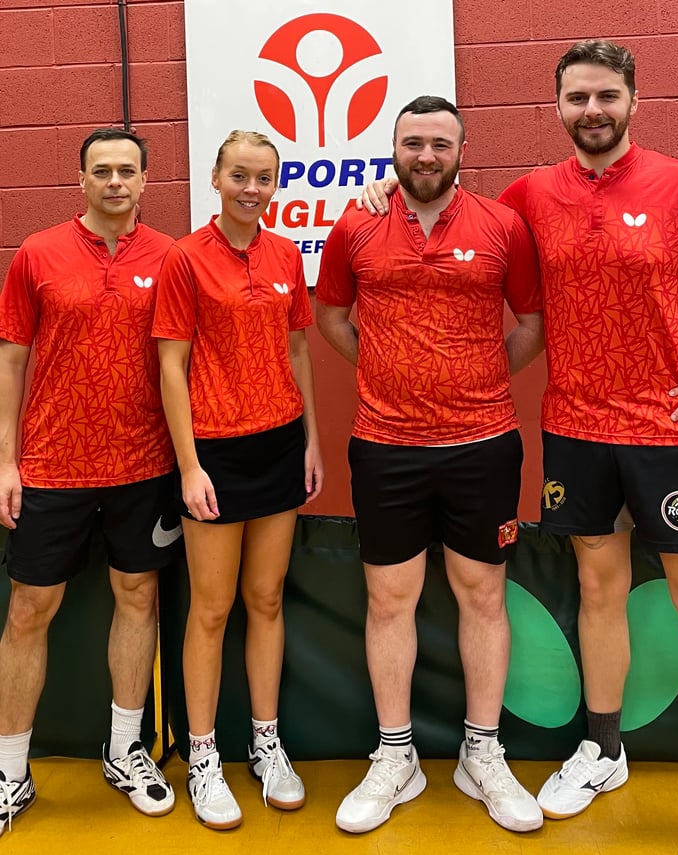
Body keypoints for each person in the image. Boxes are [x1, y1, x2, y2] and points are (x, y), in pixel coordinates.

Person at [361, 38, 678, 855]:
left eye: (607, 95)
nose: (592, 111)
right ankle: (603, 748)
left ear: (634, 101)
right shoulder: (530, 197)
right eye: (577, 97)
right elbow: (448, 217)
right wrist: (381, 193)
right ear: (559, 106)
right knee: (599, 589)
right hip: (573, 427)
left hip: (670, 429)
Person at [316, 95, 545, 835]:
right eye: (412, 142)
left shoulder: (502, 224)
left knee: (482, 596)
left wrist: (477, 379)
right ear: (393, 148)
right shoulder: (355, 221)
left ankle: (483, 752)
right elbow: (330, 317)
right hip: (385, 445)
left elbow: (533, 324)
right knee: (390, 600)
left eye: (439, 143)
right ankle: (396, 757)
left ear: (460, 150)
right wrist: (385, 370)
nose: (425, 155)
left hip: (483, 442)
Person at [0, 128, 179, 836]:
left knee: (137, 598)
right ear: (80, 179)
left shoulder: (170, 257)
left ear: (144, 180)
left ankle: (125, 748)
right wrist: (5, 461)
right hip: (52, 465)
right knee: (27, 612)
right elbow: (11, 361)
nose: (114, 181)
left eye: (126, 170)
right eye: (100, 170)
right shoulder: (37, 254)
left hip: (145, 465)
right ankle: (11, 770)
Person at [153, 130, 323, 831]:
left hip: (280, 444)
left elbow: (298, 348)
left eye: (263, 178)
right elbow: (171, 366)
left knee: (266, 598)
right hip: (215, 453)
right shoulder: (184, 259)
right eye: (239, 176)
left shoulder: (286, 254)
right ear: (216, 178)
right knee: (213, 607)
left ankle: (266, 741)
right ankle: (202, 756)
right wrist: (189, 464)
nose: (252, 189)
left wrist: (311, 439)